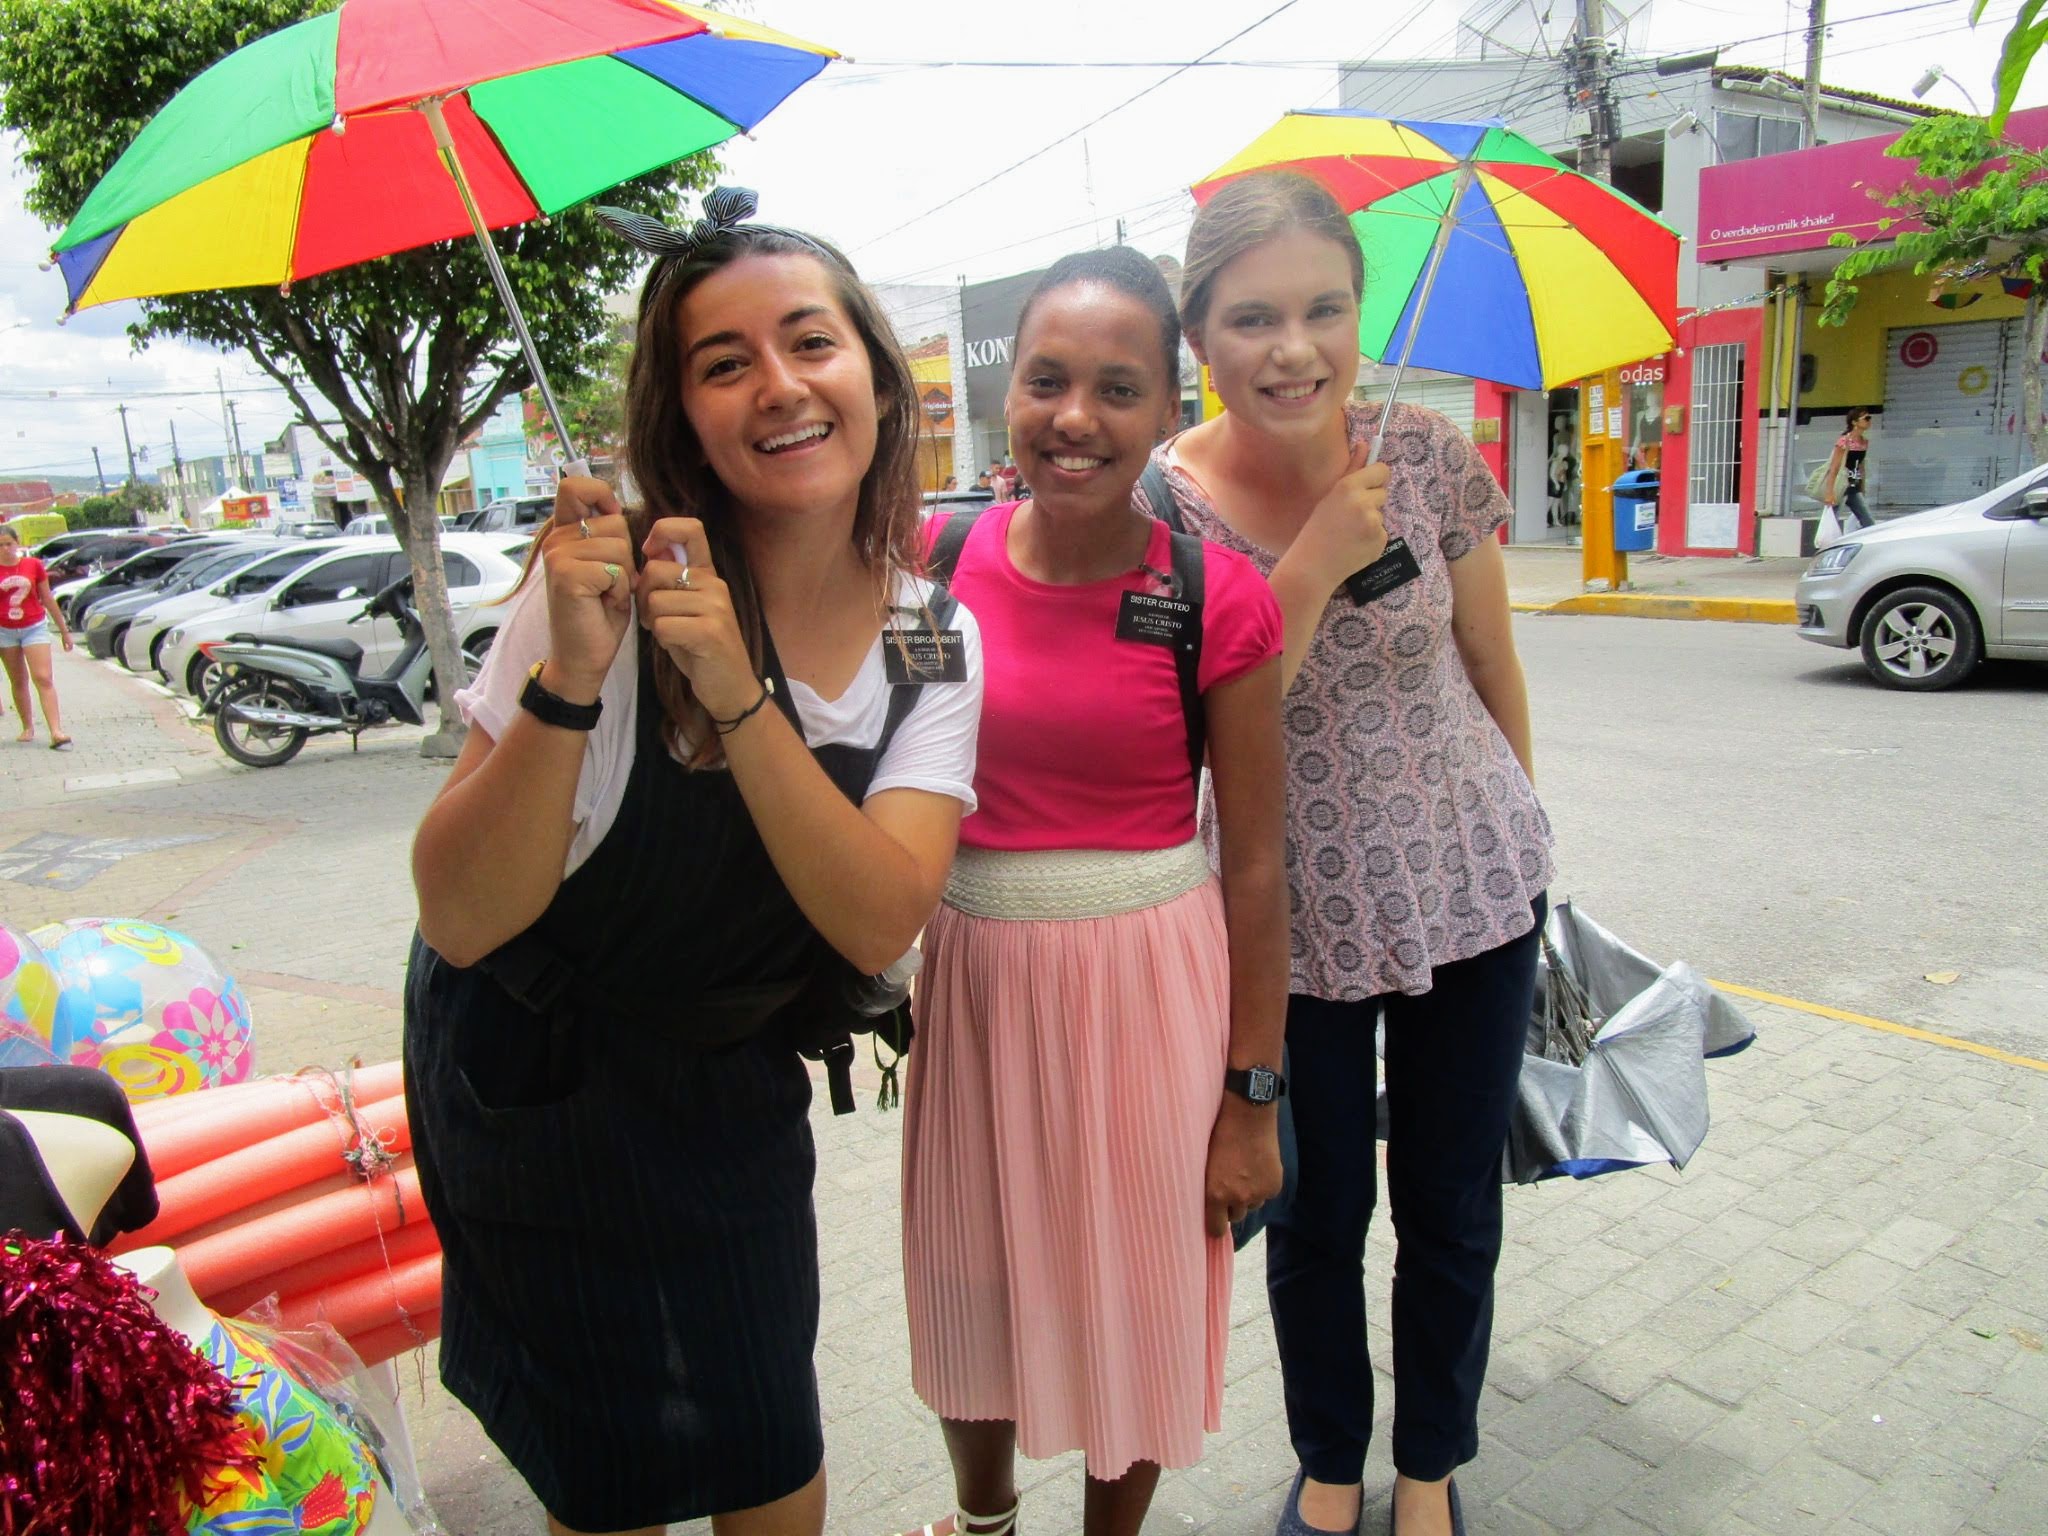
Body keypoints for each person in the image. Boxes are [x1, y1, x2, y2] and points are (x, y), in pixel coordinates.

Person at [405, 188, 984, 1536]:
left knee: (768, 1452)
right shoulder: (600, 595)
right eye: (724, 363)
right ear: (686, 414)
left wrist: (734, 688)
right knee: (608, 1482)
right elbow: (460, 911)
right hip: (542, 1076)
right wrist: (571, 675)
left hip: (725, 1081)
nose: (778, 386)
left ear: (881, 382)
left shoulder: (927, 634)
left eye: (810, 342)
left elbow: (876, 919)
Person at [1148, 171, 1553, 1536]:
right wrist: (1311, 565)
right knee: (1313, 1218)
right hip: (1284, 917)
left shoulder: (1426, 453)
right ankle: (1331, 1463)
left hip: (1471, 887)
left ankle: (1432, 1462)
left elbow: (1491, 659)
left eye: (1326, 309)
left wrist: (1523, 842)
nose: (1295, 348)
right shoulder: (1164, 507)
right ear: (1200, 336)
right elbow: (1206, 732)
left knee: (1448, 1208)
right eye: (1253, 317)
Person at [901, 247, 1290, 1536]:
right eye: (1047, 381)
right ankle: (984, 1518)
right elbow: (880, 747)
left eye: (1118, 389)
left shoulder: (1207, 593)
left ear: (1164, 412)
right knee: (972, 1278)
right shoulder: (928, 560)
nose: (1076, 419)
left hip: (1148, 990)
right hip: (971, 983)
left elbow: (1255, 865)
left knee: (1132, 1297)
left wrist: (1249, 1098)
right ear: (1007, 391)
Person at [0, 523, 73, 749]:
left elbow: (47, 598)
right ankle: (27, 725)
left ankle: (56, 730)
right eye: (0, 545)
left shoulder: (33, 565)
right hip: (5, 630)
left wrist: (64, 630)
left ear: (17, 543)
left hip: (34, 626)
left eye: (8, 544)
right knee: (18, 680)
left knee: (42, 677)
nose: (5, 549)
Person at [1823, 407, 1877, 530]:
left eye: (1869, 418)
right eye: (1866, 418)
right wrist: (1829, 492)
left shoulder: (1864, 442)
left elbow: (1861, 465)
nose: (1869, 421)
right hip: (1840, 485)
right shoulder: (1844, 441)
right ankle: (1825, 545)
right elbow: (1834, 467)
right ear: (1854, 422)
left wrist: (1862, 486)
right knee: (1832, 521)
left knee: (1868, 522)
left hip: (1853, 486)